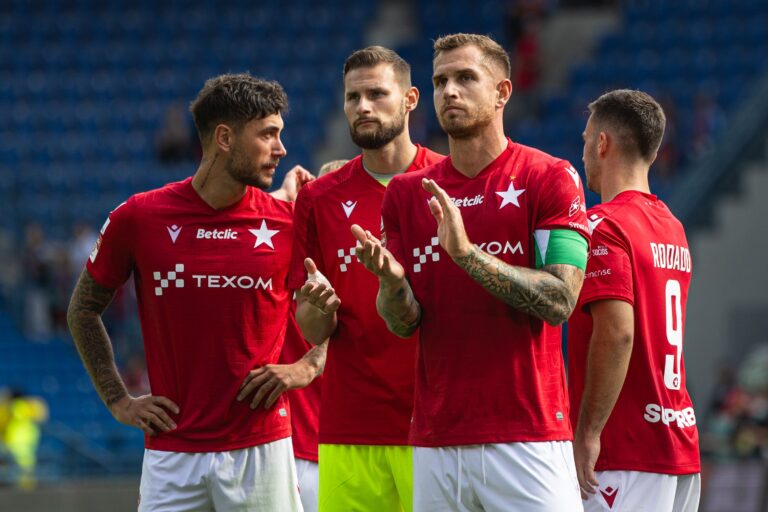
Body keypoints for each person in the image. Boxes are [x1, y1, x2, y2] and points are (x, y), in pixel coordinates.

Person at [353, 33, 590, 511]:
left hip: (528, 437)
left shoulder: (550, 176)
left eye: (465, 78)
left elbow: (560, 300)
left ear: (503, 91)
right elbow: (403, 324)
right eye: (440, 81)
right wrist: (391, 284)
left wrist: (467, 255)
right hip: (435, 440)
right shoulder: (405, 193)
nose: (449, 92)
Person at [67, 73, 310, 511]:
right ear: (223, 138)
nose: (281, 148)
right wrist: (117, 399)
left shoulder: (289, 221)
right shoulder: (138, 217)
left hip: (262, 450)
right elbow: (83, 309)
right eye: (268, 134)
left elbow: (345, 309)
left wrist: (308, 366)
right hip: (170, 454)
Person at [283, 46, 443, 511]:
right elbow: (312, 330)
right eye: (353, 97)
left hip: (435, 427)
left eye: (377, 93)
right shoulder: (318, 199)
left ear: (411, 99)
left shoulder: (450, 184)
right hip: (348, 431)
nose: (363, 107)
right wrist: (318, 306)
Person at [568, 89, 701, 511]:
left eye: (586, 140)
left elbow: (618, 332)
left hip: (623, 451)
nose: (583, 152)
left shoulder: (602, 225)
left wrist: (588, 433)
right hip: (678, 443)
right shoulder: (672, 225)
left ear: (603, 143)